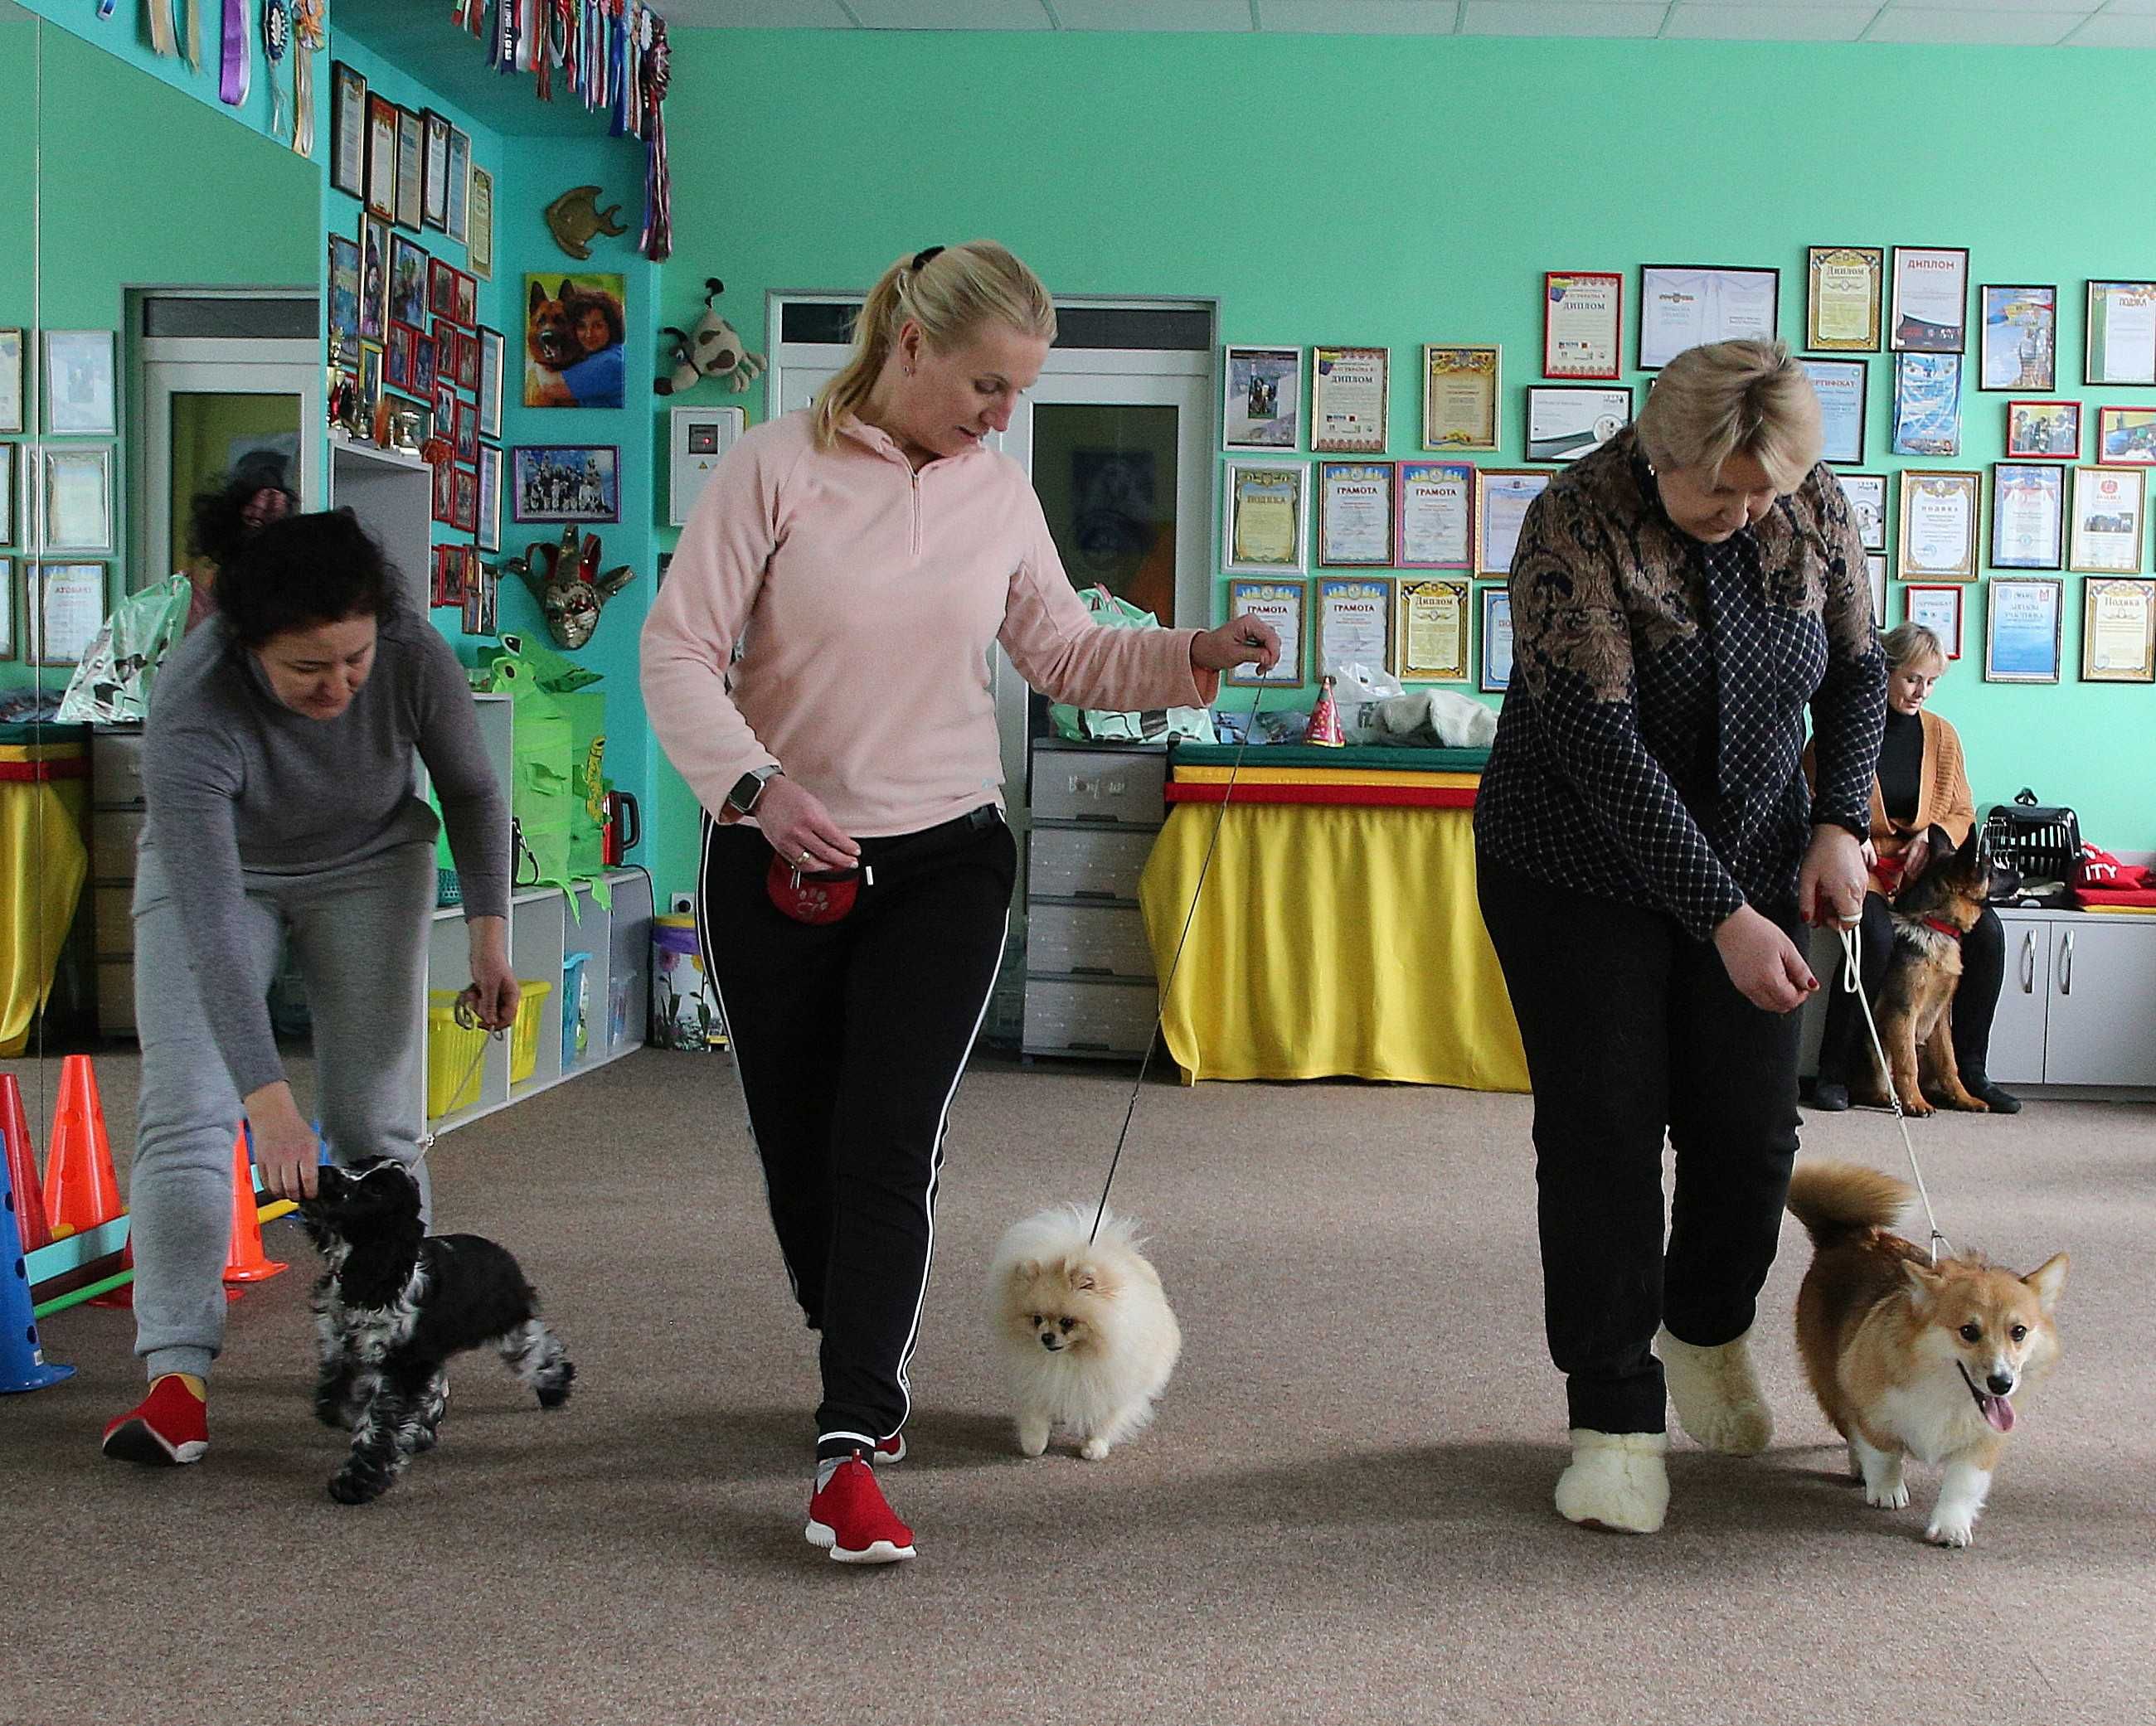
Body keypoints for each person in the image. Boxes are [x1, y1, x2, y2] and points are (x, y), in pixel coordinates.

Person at [641, 240, 1278, 1565]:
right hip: (776, 859)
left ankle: (854, 1427)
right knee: (804, 1141)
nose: (1003, 415)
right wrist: (756, 786)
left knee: (885, 1131)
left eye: (1020, 394)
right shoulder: (770, 469)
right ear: (911, 344)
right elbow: (677, 652)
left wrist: (1192, 655)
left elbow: (1067, 648)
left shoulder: (996, 495)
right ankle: (853, 1306)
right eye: (989, 384)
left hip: (945, 856)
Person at [1473, 338, 1886, 1535]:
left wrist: (1838, 822)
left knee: (1751, 1132)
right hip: (1575, 865)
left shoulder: (1808, 504)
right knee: (1605, 1130)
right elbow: (1602, 750)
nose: (1748, 510)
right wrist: (1720, 918)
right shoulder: (1574, 522)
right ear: (1660, 448)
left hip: (1760, 857)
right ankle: (1611, 1412)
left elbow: (1858, 671)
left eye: (1766, 489)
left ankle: (1704, 1329)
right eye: (1723, 490)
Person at [100, 510, 518, 1470]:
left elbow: (470, 790)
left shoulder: (410, 648)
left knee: (373, 1120)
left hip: (371, 860)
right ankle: (175, 1378)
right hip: (220, 877)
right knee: (189, 1110)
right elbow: (207, 932)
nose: (338, 686)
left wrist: (489, 938)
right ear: (246, 649)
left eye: (353, 662)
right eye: (307, 670)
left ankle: (399, 1355)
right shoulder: (193, 700)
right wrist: (268, 1105)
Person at [1808, 621, 2018, 1115]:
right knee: (1875, 937)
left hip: (1929, 871)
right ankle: (1834, 1071)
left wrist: (1935, 835)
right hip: (1869, 866)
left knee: (1988, 934)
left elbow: (1963, 810)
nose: (1921, 691)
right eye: (1911, 679)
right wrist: (1847, 832)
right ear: (1884, 672)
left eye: (1932, 682)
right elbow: (1809, 796)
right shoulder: (1842, 729)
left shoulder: (1943, 735)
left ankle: (1969, 1071)